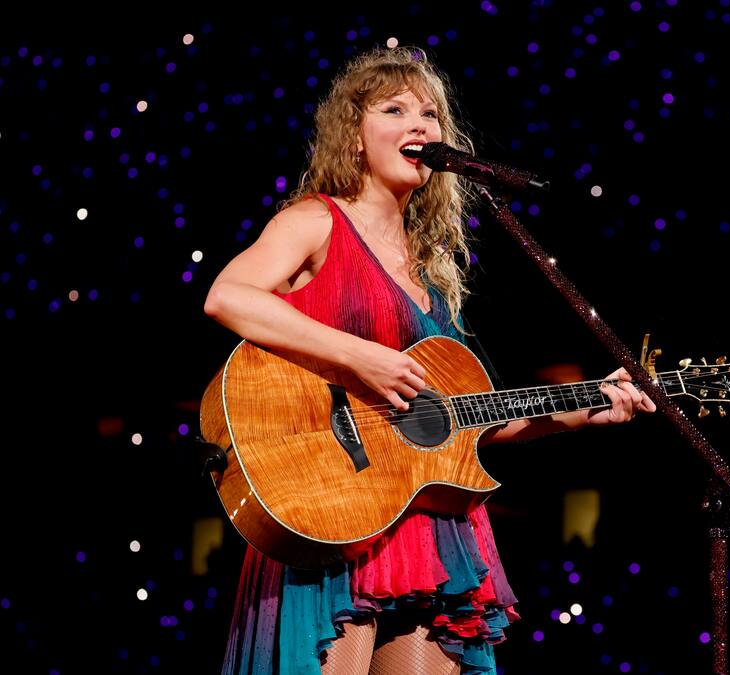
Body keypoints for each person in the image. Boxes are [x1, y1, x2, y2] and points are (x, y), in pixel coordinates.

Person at [203, 46, 656, 675]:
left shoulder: (434, 272)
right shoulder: (315, 222)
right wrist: (362, 358)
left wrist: (584, 410)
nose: (420, 124)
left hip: (426, 527)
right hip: (331, 500)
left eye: (430, 114)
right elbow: (227, 296)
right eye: (394, 110)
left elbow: (459, 425)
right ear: (353, 136)